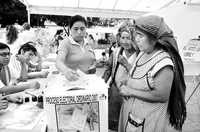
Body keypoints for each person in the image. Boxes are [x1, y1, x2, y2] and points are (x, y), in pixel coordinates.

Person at [118, 15, 186, 132]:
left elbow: (162, 95)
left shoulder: (164, 62)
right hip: (135, 118)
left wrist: (130, 91)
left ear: (154, 39)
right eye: (136, 34)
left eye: (140, 35)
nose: (136, 39)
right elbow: (141, 76)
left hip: (150, 121)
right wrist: (129, 81)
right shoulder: (143, 53)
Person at [102, 27, 139, 131]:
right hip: (115, 92)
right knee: (113, 120)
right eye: (123, 37)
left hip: (132, 93)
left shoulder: (139, 55)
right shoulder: (116, 52)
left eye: (128, 38)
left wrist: (126, 64)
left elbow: (140, 75)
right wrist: (101, 84)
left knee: (129, 121)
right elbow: (108, 70)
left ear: (134, 39)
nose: (125, 41)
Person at [56, 15, 96, 81]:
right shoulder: (65, 43)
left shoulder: (88, 43)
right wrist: (66, 71)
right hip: (72, 83)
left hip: (87, 82)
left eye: (82, 29)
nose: (79, 32)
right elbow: (59, 61)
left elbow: (91, 59)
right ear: (70, 29)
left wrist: (93, 65)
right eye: (76, 29)